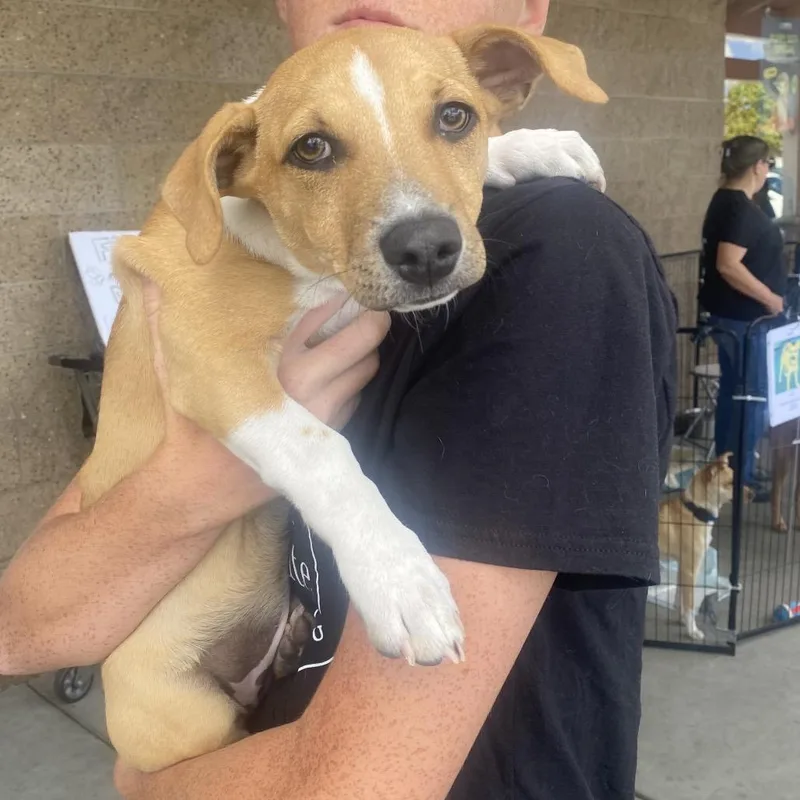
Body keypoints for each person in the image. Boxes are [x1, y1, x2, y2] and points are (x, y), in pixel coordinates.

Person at [0, 2, 677, 799]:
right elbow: (20, 629)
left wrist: (150, 791)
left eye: (452, 118)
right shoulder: (221, 239)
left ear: (523, 24)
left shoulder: (560, 252)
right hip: (188, 683)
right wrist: (206, 475)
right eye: (317, 147)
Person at [698, 135, 785, 498]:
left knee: (737, 397)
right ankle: (741, 479)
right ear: (758, 166)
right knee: (752, 399)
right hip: (744, 322)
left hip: (733, 319)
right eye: (768, 163)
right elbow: (728, 265)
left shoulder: (728, 202)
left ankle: (729, 472)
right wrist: (772, 300)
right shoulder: (739, 209)